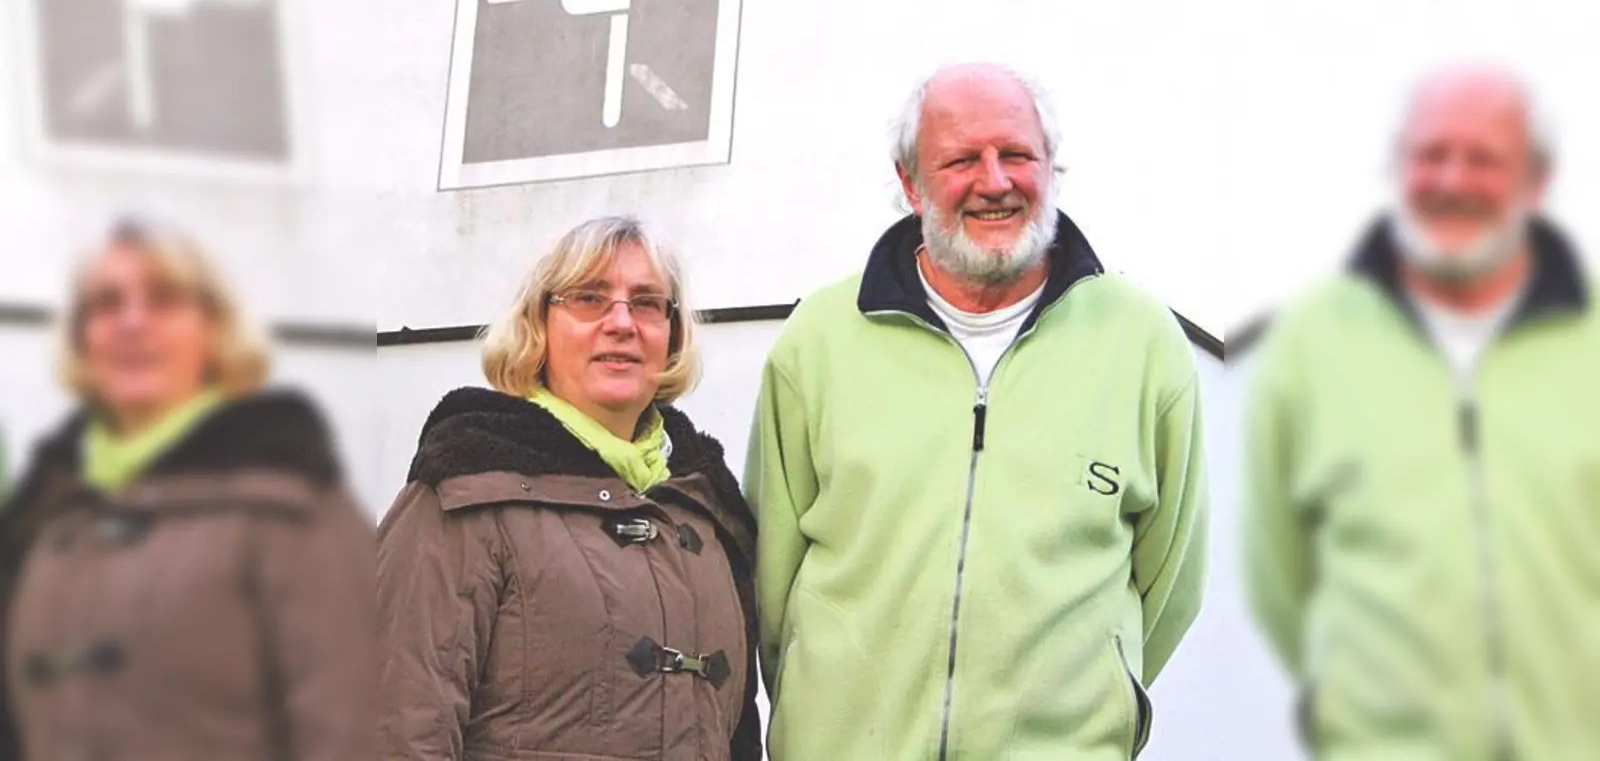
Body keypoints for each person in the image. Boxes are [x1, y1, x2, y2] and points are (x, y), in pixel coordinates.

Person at [745, 63, 1209, 760]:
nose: (995, 182)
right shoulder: (820, 338)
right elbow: (770, 580)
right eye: (961, 159)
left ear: (1051, 169)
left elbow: (1170, 579)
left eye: (1017, 155)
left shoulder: (1141, 341)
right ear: (911, 184)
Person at [1242, 66, 1600, 759]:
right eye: (1430, 155)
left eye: (1483, 159)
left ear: (1538, 180)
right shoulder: (1311, 343)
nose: (1451, 181)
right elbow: (1280, 580)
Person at [377, 215, 760, 761]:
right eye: (589, 298)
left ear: (671, 334)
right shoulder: (464, 496)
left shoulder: (705, 510)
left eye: (648, 302)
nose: (622, 322)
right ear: (539, 325)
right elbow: (395, 728)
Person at [0, 218, 376, 761]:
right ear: (82, 338)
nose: (132, 322)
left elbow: (345, 734)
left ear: (215, 330)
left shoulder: (295, 503)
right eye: (106, 304)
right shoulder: (47, 501)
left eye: (164, 299)